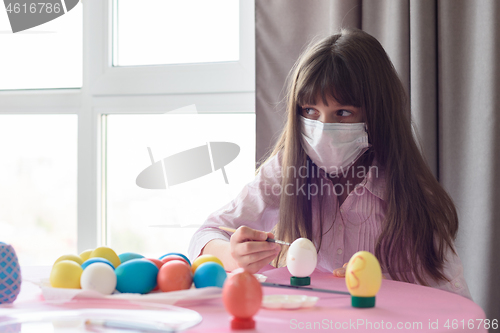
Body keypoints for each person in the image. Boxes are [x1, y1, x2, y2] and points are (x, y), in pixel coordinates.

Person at [188, 28, 471, 299]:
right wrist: (235, 255)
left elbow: (453, 304)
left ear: (376, 114)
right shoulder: (287, 171)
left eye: (343, 112)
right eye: (310, 110)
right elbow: (206, 234)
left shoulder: (411, 195)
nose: (323, 128)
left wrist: (381, 284)